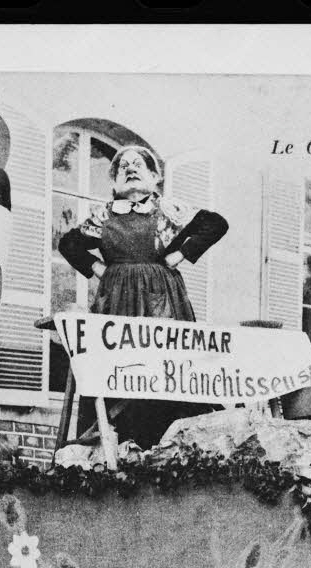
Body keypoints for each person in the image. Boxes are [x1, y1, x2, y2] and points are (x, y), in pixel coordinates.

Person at [56, 145, 229, 447]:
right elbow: (69, 243)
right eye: (123, 167)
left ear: (154, 176)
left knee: (164, 369)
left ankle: (168, 449)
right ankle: (109, 444)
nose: (131, 169)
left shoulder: (167, 210)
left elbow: (216, 224)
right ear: (115, 180)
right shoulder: (104, 215)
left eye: (138, 164)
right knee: (116, 370)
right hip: (116, 301)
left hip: (163, 300)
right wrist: (98, 268)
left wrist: (181, 254)